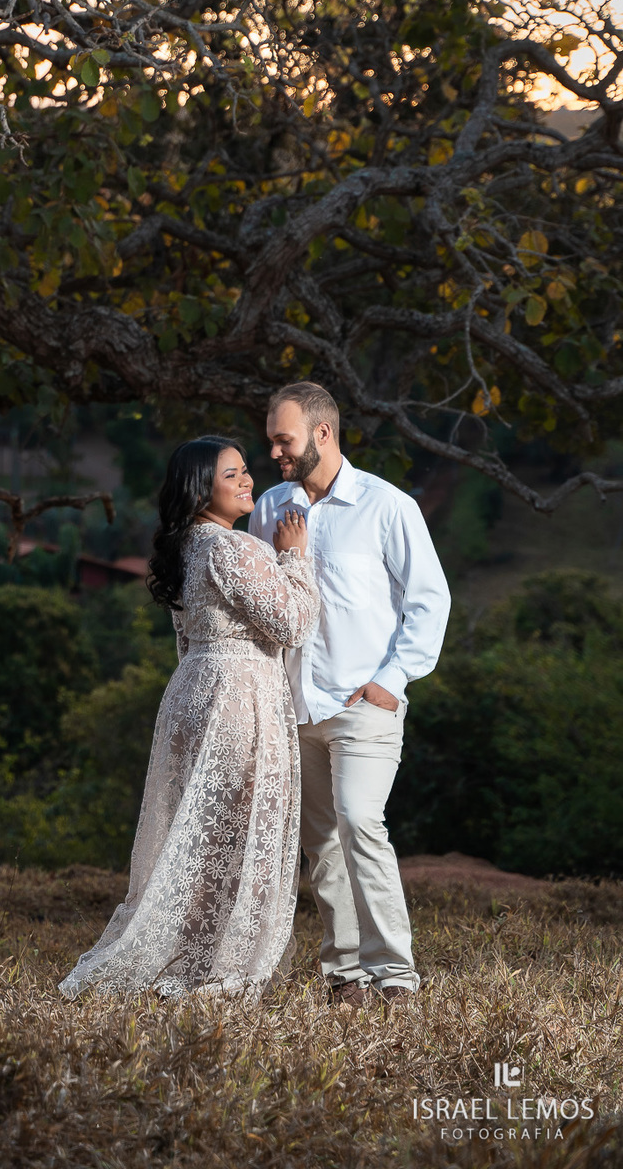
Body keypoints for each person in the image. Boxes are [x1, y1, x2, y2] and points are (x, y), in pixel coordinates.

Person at [59, 436, 319, 999]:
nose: (248, 480)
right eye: (233, 475)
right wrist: (294, 557)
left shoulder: (188, 550)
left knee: (198, 830)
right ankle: (218, 958)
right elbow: (294, 625)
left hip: (193, 691)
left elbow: (186, 639)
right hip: (241, 693)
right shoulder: (237, 550)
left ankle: (187, 947)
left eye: (246, 470)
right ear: (203, 489)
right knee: (240, 828)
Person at [249, 382, 451, 1008]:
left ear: (323, 433)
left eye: (284, 440)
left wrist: (390, 684)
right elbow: (265, 602)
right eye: (272, 442)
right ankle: (344, 973)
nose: (276, 454)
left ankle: (395, 975)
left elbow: (429, 601)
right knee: (320, 842)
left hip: (364, 705)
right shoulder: (272, 509)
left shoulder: (388, 507)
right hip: (294, 706)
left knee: (361, 822)